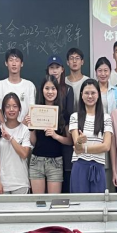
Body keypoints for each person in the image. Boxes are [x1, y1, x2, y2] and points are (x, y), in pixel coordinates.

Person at [27, 75, 71, 194]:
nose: (50, 92)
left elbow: (70, 141)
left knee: (54, 201)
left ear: (57, 90)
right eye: (47, 88)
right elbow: (33, 142)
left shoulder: (63, 113)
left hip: (55, 161)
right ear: (42, 90)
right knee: (38, 201)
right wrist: (31, 129)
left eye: (53, 88)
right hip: (37, 160)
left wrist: (56, 136)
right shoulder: (35, 111)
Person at [70, 79, 113, 193]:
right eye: (86, 93)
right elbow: (77, 146)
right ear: (81, 95)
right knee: (79, 202)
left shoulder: (106, 118)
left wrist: (84, 149)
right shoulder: (75, 117)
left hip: (98, 167)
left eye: (93, 93)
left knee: (98, 202)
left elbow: (106, 146)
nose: (90, 96)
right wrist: (79, 142)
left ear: (98, 95)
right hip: (79, 166)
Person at [46, 55, 75, 193]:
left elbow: (69, 115)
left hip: (63, 137)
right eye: (51, 68)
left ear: (62, 69)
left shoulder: (68, 90)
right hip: (47, 140)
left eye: (57, 67)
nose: (54, 70)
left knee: (66, 178)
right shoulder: (44, 89)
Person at [0, 93, 33, 194]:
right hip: (3, 183)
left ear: (19, 109)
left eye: (15, 106)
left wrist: (10, 138)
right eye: (7, 106)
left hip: (21, 183)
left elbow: (24, 154)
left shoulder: (25, 130)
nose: (11, 109)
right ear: (3, 110)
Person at [0, 48, 36, 124]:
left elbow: (32, 109)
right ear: (6, 63)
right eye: (11, 60)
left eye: (17, 60)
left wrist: (21, 127)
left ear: (22, 64)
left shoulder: (30, 86)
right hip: (4, 129)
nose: (14, 64)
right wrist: (5, 127)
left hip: (25, 128)